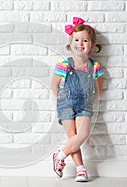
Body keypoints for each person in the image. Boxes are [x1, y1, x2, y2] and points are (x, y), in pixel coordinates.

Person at [51, 17, 104, 182]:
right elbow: (54, 84)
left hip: (85, 104)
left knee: (82, 134)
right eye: (76, 39)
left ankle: (59, 155)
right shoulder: (64, 64)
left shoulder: (94, 66)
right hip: (66, 103)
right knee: (72, 135)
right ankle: (81, 168)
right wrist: (60, 100)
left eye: (85, 40)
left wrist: (94, 100)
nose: (80, 43)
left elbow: (98, 87)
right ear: (71, 42)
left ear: (92, 45)